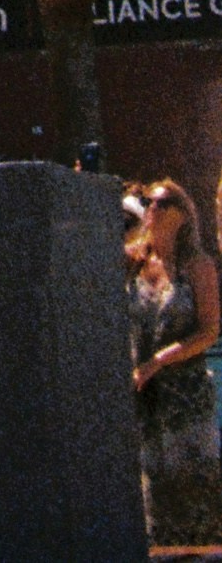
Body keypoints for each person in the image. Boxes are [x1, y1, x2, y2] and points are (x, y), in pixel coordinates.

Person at [133, 176, 222, 551]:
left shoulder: (197, 265)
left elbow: (210, 331)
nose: (152, 209)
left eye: (162, 202)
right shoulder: (136, 264)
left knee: (196, 491)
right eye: (150, 202)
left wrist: (158, 361)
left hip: (186, 394)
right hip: (149, 401)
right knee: (158, 494)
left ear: (182, 214)